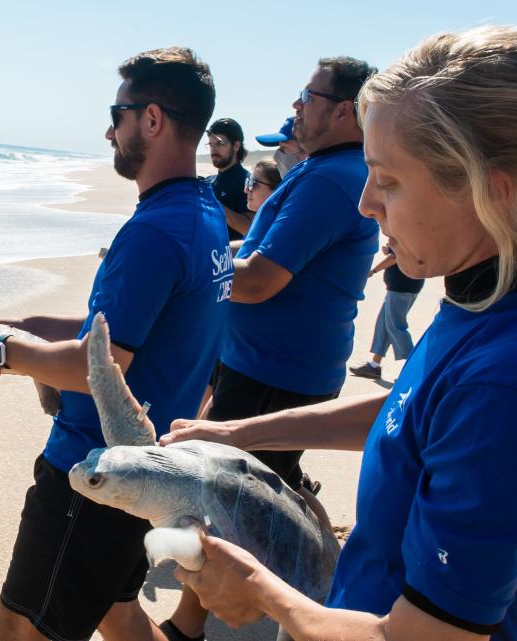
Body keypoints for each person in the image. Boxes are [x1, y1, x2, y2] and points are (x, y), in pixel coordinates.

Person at [163, 25, 517, 641]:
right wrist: (233, 432)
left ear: (492, 190)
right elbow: (414, 414)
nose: (368, 204)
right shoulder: (490, 297)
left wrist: (262, 593)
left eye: (389, 180)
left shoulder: (510, 381)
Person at [0, 47, 233, 641]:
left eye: (118, 114)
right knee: (117, 611)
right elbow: (126, 329)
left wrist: (3, 354)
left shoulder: (153, 231)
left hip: (92, 468)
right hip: (149, 465)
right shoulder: (203, 214)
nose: (109, 130)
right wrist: (25, 324)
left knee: (24, 627)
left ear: (151, 119)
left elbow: (99, 368)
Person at [162, 56, 379, 641]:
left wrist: (187, 270)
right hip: (271, 364)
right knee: (256, 485)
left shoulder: (334, 180)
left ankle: (192, 623)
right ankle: (300, 585)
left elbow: (259, 280)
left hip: (274, 370)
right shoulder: (327, 170)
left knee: (221, 498)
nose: (295, 105)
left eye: (307, 95)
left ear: (343, 110)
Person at [349, 241, 424, 379]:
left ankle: (414, 371)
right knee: (384, 325)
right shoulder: (412, 230)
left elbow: (396, 257)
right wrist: (390, 249)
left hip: (402, 287)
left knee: (396, 326)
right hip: (405, 285)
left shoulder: (405, 228)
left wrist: (373, 271)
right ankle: (374, 366)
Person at [205, 118, 253, 239]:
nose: (213, 150)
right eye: (211, 144)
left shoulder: (248, 182)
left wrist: (213, 204)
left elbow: (248, 228)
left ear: (236, 145)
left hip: (231, 255)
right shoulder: (208, 182)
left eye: (220, 143)